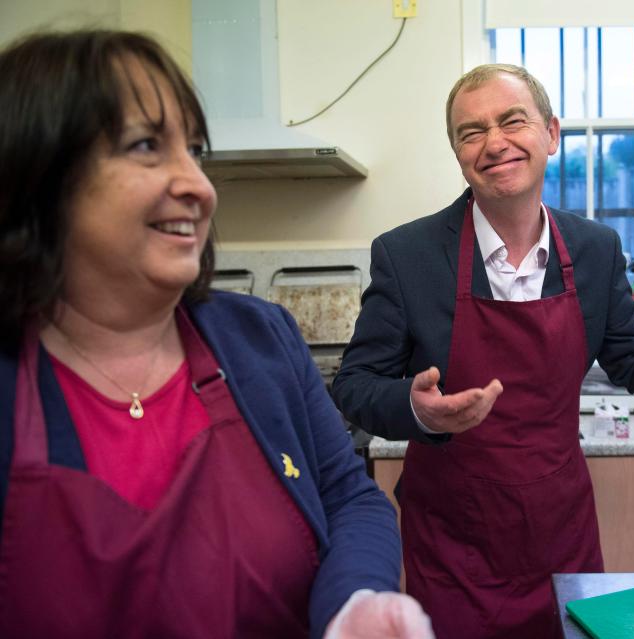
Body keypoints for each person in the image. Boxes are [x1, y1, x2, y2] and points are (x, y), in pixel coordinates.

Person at [331, 63, 634, 639]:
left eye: (511, 120)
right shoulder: (407, 254)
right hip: (453, 543)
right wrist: (417, 410)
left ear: (551, 133)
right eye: (471, 132)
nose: (494, 142)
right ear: (458, 152)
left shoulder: (595, 248)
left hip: (558, 530)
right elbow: (355, 384)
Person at [0, 29, 433, 639]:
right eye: (147, 145)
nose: (199, 187)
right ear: (39, 176)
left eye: (196, 151)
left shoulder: (259, 337)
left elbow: (347, 497)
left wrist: (355, 603)